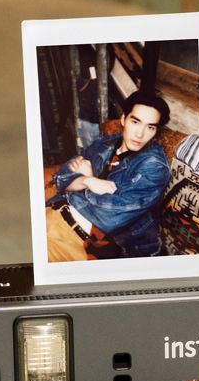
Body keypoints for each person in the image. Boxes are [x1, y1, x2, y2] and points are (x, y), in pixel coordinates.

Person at [46, 89, 172, 261]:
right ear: (123, 119)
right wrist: (88, 180)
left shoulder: (154, 167)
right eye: (135, 122)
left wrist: (77, 185)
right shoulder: (106, 143)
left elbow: (108, 218)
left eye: (150, 127)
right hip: (55, 214)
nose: (140, 134)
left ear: (156, 131)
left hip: (86, 243)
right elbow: (61, 176)